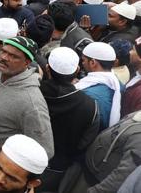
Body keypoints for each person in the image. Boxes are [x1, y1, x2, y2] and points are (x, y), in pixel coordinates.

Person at [0, 36, 54, 159]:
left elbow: (45, 150)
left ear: (27, 63)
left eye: (14, 56)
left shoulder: (32, 103)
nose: (4, 58)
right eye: (4, 51)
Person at [39, 47, 101, 192]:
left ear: (48, 69)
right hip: (57, 167)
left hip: (23, 156)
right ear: (77, 70)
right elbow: (85, 142)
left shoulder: (33, 91)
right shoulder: (90, 106)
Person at [71, 111, 141, 193]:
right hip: (87, 170)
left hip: (95, 183)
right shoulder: (137, 115)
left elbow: (123, 175)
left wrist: (97, 190)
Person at [77, 41, 123, 129]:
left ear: (93, 62)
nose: (82, 63)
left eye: (83, 60)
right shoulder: (119, 84)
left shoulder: (86, 94)